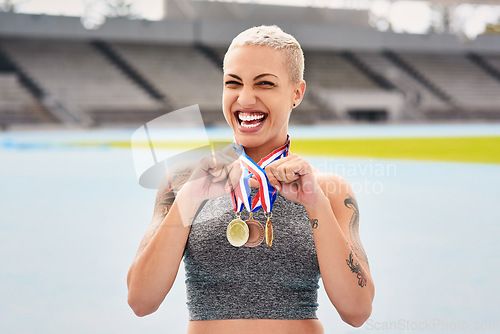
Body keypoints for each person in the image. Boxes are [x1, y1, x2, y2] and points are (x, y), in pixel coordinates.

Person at [127, 25, 374, 334]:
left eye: (265, 84)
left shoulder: (327, 190)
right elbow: (140, 300)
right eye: (233, 83)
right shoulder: (183, 181)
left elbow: (358, 311)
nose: (245, 99)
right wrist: (190, 199)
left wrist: (315, 204)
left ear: (296, 93)